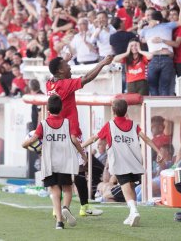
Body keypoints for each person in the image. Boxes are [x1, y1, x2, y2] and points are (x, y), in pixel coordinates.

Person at [46, 55, 112, 216]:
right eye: (67, 65)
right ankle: (84, 207)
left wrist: (64, 59)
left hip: (56, 135)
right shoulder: (65, 84)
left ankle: (57, 209)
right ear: (60, 70)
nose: (70, 67)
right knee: (80, 169)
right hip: (71, 133)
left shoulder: (50, 83)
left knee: (60, 171)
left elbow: (53, 71)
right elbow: (87, 78)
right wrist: (102, 63)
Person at [82, 99, 162, 227]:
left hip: (120, 163)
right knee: (131, 187)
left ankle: (133, 210)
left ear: (113, 111)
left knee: (125, 187)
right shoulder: (133, 125)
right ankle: (132, 213)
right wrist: (158, 151)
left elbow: (94, 138)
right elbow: (145, 138)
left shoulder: (110, 125)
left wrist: (81, 146)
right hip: (134, 162)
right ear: (126, 111)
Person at [22, 95, 88, 229]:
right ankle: (66, 207)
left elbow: (34, 138)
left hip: (49, 163)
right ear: (62, 108)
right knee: (67, 188)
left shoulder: (43, 124)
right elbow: (75, 140)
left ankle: (59, 221)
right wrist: (83, 154)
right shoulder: (67, 122)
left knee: (55, 191)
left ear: (48, 110)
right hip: (65, 161)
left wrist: (24, 144)